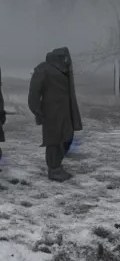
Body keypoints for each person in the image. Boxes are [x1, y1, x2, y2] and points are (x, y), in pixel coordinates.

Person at [28, 47, 82, 182]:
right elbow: (34, 93)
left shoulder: (65, 69)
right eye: (64, 57)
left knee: (67, 137)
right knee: (53, 141)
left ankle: (57, 164)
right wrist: (37, 111)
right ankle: (54, 169)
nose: (67, 60)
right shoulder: (43, 69)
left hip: (66, 111)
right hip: (51, 112)